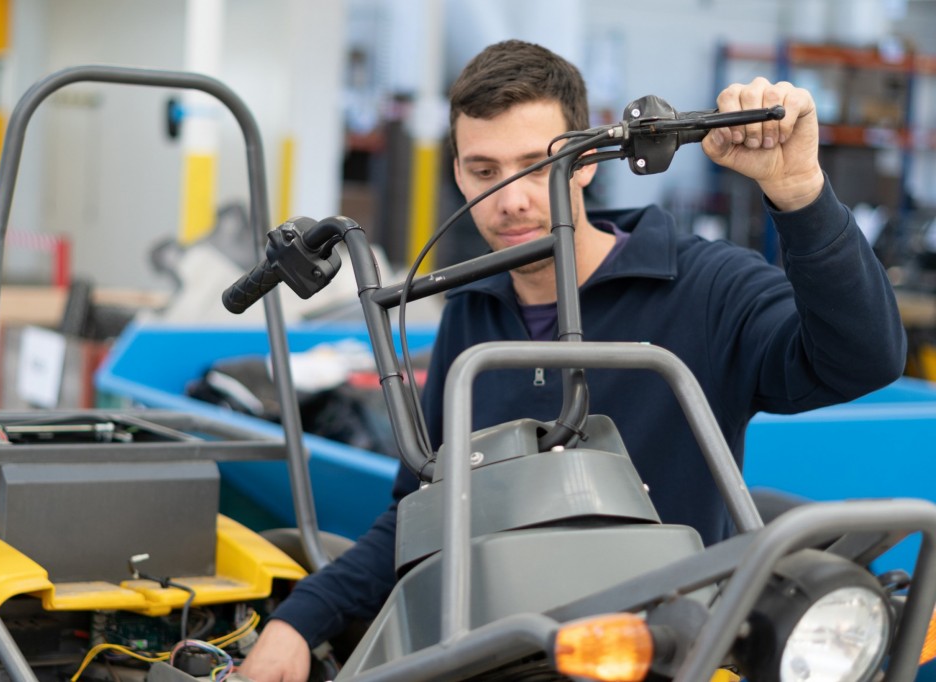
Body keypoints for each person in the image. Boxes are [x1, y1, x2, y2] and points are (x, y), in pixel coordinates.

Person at [238, 39, 906, 681]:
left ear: (585, 162)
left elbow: (862, 359)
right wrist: (299, 620)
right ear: (459, 174)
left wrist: (800, 191)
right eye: (485, 171)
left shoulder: (706, 288)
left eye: (537, 165)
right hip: (505, 654)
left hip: (658, 654)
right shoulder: (470, 312)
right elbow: (424, 512)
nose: (512, 199)